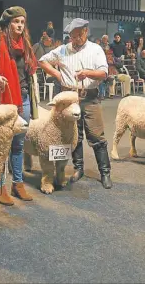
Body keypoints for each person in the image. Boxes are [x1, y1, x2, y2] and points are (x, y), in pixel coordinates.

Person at [39, 18, 112, 189]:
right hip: (69, 97)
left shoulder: (96, 50)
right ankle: (78, 169)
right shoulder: (62, 50)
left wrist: (87, 73)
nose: (75, 39)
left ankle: (105, 172)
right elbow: (41, 60)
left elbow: (104, 73)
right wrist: (58, 75)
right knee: (73, 136)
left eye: (78, 35)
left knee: (96, 136)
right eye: (72, 36)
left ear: (86, 32)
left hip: (90, 97)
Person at [0, 6, 39, 205]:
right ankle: (0, 186)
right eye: (16, 21)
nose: (20, 25)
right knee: (0, 145)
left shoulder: (26, 45)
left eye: (22, 22)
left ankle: (18, 184)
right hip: (1, 100)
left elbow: (30, 73)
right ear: (7, 23)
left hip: (23, 99)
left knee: (19, 144)